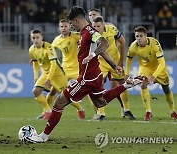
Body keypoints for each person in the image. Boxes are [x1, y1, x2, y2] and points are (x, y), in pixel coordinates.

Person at [26, 6, 143, 143]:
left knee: (59, 103)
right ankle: (126, 85)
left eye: (71, 23)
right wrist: (114, 66)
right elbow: (103, 52)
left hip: (86, 78)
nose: (70, 26)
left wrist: (92, 55)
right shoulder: (84, 32)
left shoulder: (89, 31)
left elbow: (104, 43)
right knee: (100, 102)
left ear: (76, 20)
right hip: (95, 74)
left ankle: (42, 136)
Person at [125, 26, 177, 121]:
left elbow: (162, 63)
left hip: (159, 68)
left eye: (141, 36)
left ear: (146, 36)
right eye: (137, 36)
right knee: (143, 84)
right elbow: (129, 58)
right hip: (145, 68)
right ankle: (148, 111)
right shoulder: (133, 46)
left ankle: (172, 111)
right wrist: (127, 73)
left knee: (166, 88)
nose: (138, 38)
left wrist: (154, 76)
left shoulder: (154, 44)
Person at [92, 16, 135, 120]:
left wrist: (121, 60)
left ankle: (126, 109)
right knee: (98, 85)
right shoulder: (92, 34)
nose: (96, 28)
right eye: (94, 26)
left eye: (98, 26)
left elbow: (123, 42)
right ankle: (101, 113)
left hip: (115, 61)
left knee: (122, 84)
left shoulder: (112, 29)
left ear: (103, 25)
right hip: (101, 63)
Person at [29, 29, 68, 120]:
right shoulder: (31, 50)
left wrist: (49, 79)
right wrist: (35, 77)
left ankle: (80, 109)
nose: (35, 40)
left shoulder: (48, 47)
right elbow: (35, 62)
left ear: (42, 37)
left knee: (65, 97)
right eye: (33, 38)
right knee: (36, 91)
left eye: (37, 37)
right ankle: (48, 111)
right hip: (46, 73)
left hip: (57, 74)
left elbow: (54, 64)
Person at [51, 19, 85, 119]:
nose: (63, 28)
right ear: (59, 28)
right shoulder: (57, 40)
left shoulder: (75, 36)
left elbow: (86, 41)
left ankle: (99, 113)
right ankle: (47, 112)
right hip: (64, 69)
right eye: (61, 26)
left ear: (69, 26)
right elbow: (50, 50)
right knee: (57, 92)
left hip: (77, 69)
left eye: (65, 26)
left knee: (89, 90)